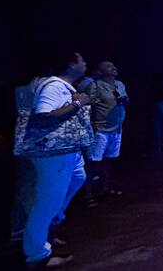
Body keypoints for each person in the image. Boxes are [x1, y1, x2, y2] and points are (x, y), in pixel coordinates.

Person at [19, 51, 93, 269]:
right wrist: (77, 104)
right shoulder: (53, 86)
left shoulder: (63, 87)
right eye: (81, 60)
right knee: (45, 204)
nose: (85, 63)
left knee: (78, 178)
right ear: (71, 65)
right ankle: (37, 255)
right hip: (55, 153)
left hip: (68, 152)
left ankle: (51, 227)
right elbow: (43, 117)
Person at [84, 61, 128, 206]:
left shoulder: (120, 84)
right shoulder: (95, 86)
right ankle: (88, 194)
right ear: (100, 71)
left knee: (108, 161)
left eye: (114, 65)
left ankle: (105, 188)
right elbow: (88, 107)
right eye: (109, 66)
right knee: (92, 163)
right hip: (100, 130)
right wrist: (91, 126)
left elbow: (125, 101)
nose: (114, 67)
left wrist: (125, 100)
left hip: (116, 129)